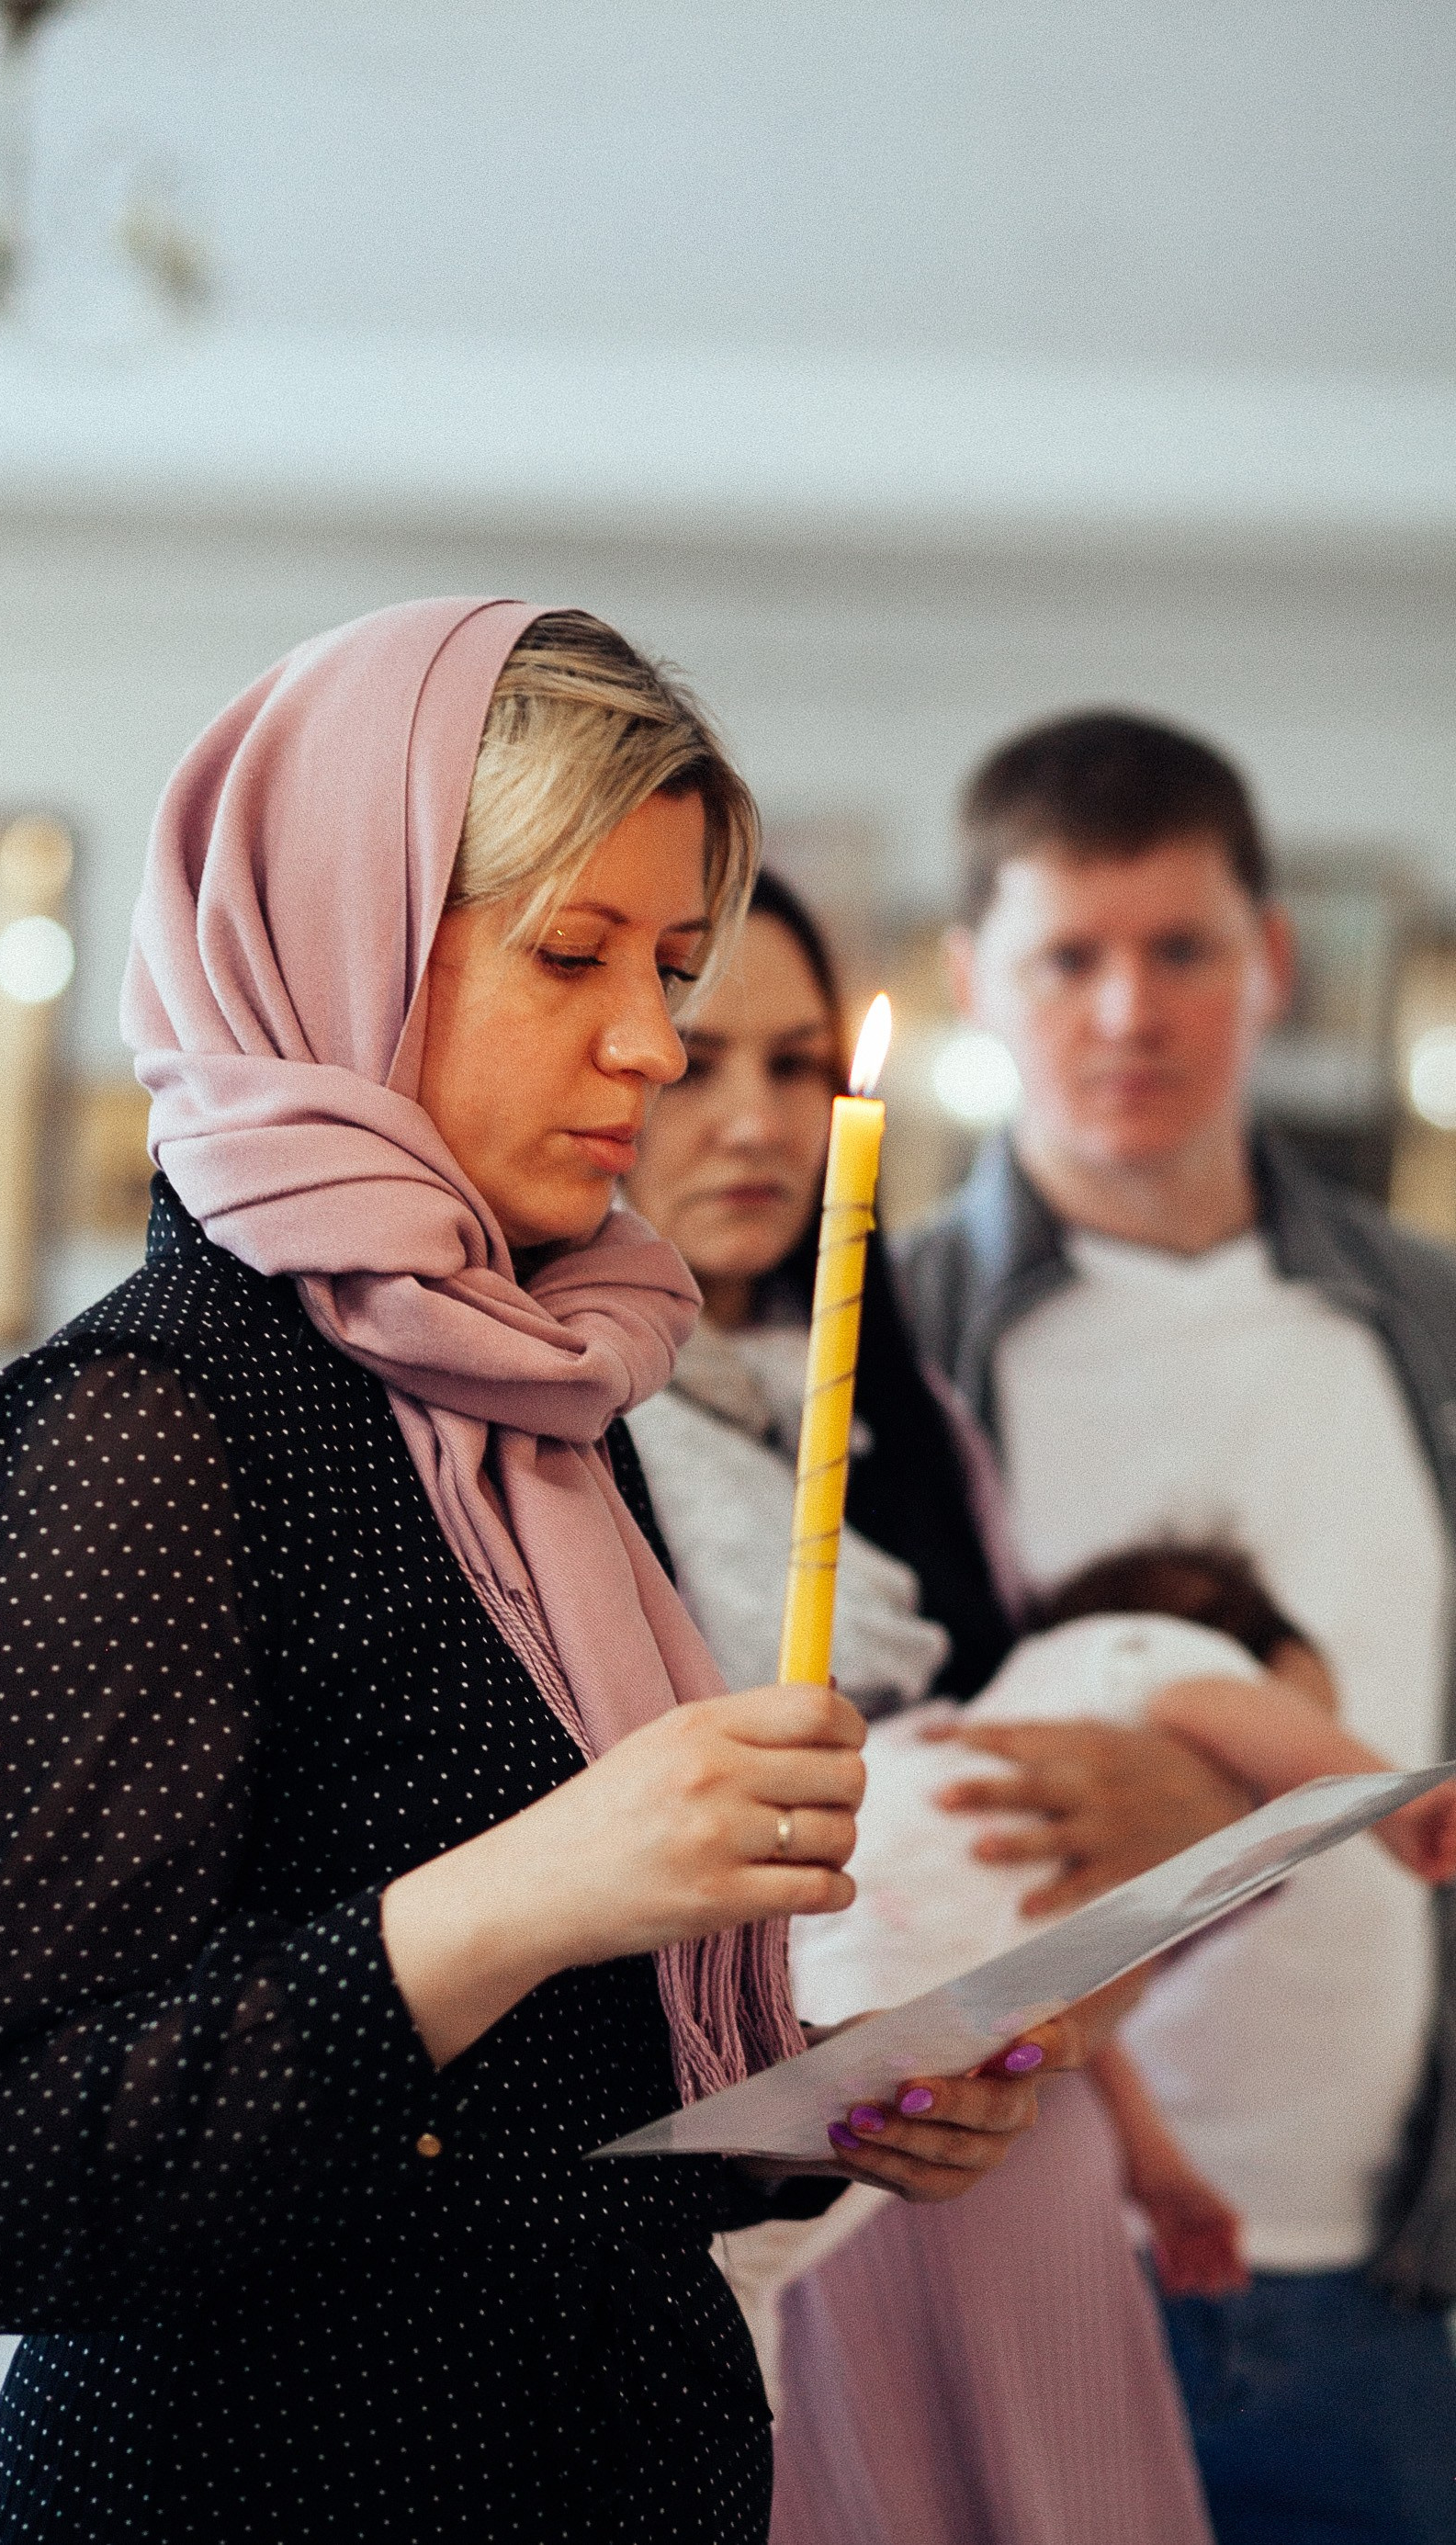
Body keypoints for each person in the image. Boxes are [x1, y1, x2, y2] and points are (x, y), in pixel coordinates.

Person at [0, 604, 1057, 2545]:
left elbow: (516, 2126)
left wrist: (812, 2108)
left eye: (670, 963)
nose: (653, 1042)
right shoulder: (138, 1426)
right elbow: (0, 2189)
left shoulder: (538, 1397)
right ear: (331, 942)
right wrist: (534, 1882)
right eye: (571, 953)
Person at [902, 707, 1456, 2544]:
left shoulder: (1424, 1322)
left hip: (1387, 2266)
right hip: (1016, 2243)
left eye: (1179, 949)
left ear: (1269, 958)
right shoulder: (884, 1344)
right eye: (1067, 957)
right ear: (971, 978)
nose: (1126, 1011)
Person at [624, 871, 1215, 2545]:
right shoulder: (534, 1434)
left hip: (1012, 2151)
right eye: (697, 1061)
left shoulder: (917, 1417)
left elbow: (1018, 1756)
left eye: (800, 1066)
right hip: (777, 2203)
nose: (758, 1122)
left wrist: (1180, 1796)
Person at [794, 1537, 1456, 2297]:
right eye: (1300, 1714)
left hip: (869, 1951)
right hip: (889, 1912)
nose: (1284, 1774)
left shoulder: (1118, 1882)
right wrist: (1393, 1802)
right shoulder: (1122, 1655)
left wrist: (1154, 2166)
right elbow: (1233, 1711)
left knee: (788, 2211)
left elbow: (1074, 2033)